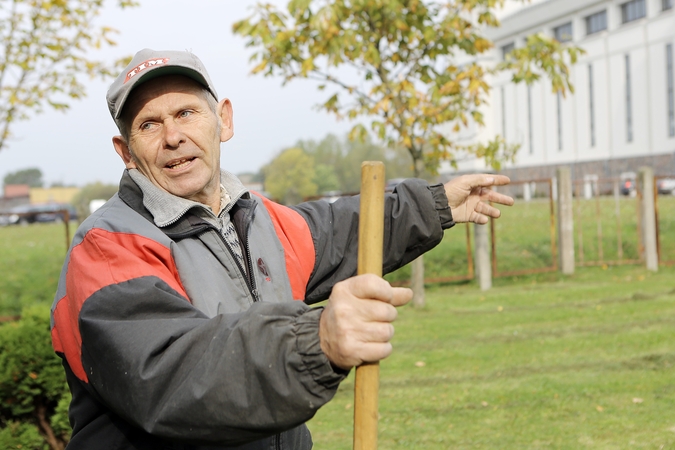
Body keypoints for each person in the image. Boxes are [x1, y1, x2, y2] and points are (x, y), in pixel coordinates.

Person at [50, 48, 514, 449]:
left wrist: (433, 205)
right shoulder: (106, 250)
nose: (173, 136)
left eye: (187, 113)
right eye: (149, 124)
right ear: (125, 151)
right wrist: (317, 340)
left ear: (223, 120)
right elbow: (171, 372)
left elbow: (340, 229)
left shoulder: (260, 220)